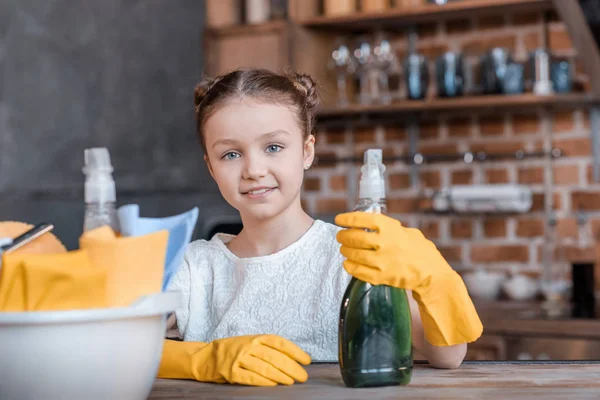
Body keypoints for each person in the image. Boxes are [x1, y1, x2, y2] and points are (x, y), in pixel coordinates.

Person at [158, 68, 483, 387]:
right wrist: (203, 360)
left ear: (307, 151)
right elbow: (118, 348)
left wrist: (434, 279)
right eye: (230, 154)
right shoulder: (193, 267)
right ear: (211, 168)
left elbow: (449, 356)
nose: (254, 170)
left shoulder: (355, 258)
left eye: (273, 147)